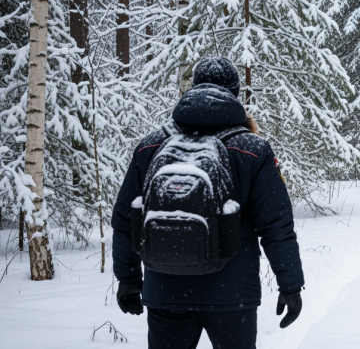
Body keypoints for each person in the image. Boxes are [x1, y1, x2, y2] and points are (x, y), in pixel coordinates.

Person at [111, 57, 304, 349]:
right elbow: (276, 226)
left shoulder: (151, 145)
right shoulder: (252, 149)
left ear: (193, 88)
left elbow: (126, 219)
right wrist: (290, 284)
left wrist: (127, 279)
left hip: (166, 289)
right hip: (232, 294)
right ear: (234, 94)